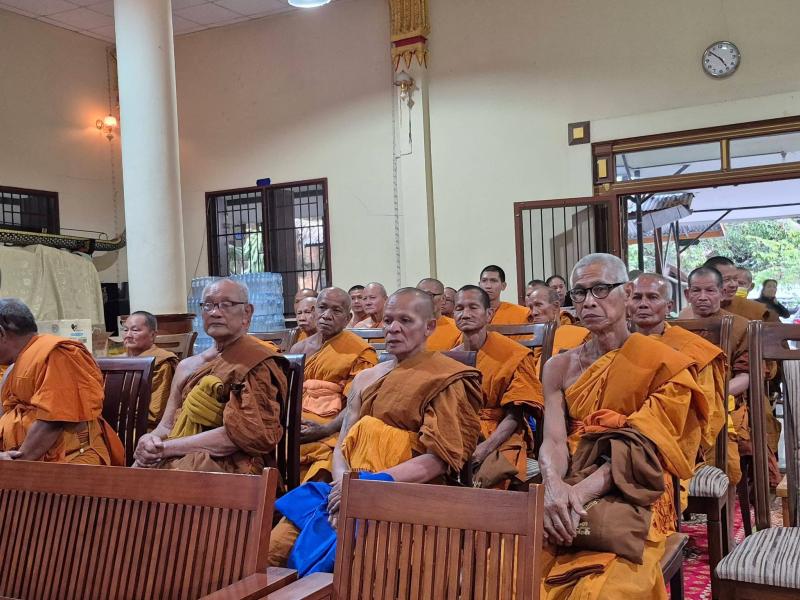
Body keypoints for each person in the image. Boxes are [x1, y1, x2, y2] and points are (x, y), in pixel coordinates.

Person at [268, 288, 482, 571]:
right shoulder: (365, 379)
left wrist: (371, 484)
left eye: (405, 320)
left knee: (358, 564)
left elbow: (439, 459)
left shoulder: (446, 377)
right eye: (389, 320)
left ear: (429, 326)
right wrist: (344, 486)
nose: (393, 328)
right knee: (273, 550)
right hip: (347, 488)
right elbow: (343, 443)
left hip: (406, 492)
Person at [538, 254, 707, 599]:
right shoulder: (558, 366)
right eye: (580, 292)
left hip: (636, 483)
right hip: (570, 478)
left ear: (627, 293)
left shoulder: (662, 363)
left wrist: (579, 495)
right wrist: (553, 485)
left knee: (604, 591)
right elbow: (554, 441)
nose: (589, 301)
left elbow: (646, 447)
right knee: (506, 571)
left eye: (600, 289)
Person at [133, 278, 288, 474]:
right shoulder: (186, 366)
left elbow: (246, 434)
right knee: (128, 479)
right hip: (177, 454)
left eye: (226, 304)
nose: (215, 312)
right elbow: (166, 426)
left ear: (247, 312)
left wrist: (166, 449)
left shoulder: (255, 361)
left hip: (232, 465)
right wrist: (149, 441)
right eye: (208, 305)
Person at [628, 273, 727, 488]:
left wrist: (648, 430)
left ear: (669, 306)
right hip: (617, 432)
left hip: (671, 438)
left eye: (652, 297)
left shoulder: (692, 348)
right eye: (636, 297)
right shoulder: (615, 343)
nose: (643, 304)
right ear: (627, 303)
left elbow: (706, 411)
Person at [0, 298, 124, 465]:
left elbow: (52, 421)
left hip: (70, 460)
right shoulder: (14, 366)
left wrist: (16, 466)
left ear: (1, 333)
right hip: (21, 460)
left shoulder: (57, 354)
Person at [453, 285, 543, 488]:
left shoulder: (514, 354)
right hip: (459, 433)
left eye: (473, 307)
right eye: (459, 308)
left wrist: (485, 448)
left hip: (500, 435)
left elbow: (515, 415)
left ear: (489, 314)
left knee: (497, 473)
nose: (465, 314)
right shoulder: (450, 357)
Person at [291, 287, 378, 482]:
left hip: (335, 428)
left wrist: (327, 428)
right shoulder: (298, 348)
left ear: (348, 318)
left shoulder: (360, 351)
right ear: (314, 310)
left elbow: (358, 403)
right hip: (296, 425)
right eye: (322, 308)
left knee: (329, 460)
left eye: (336, 311)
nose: (326, 315)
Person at [682, 267, 751, 486]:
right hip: (680, 401)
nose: (703, 297)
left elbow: (746, 375)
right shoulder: (676, 326)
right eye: (696, 291)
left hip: (723, 401)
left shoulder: (740, 326)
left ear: (722, 293)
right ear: (687, 294)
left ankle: (722, 498)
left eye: (710, 291)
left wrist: (709, 395)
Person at [121, 311, 179, 430]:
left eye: (135, 330)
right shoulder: (118, 362)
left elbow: (155, 413)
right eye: (125, 330)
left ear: (152, 335)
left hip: (144, 428)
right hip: (117, 421)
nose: (128, 335)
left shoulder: (161, 363)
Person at [525, 282, 590, 373]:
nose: (533, 313)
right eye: (531, 307)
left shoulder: (580, 336)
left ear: (555, 307)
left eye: (539, 305)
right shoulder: (529, 340)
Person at [417, 277, 461, 351]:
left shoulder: (457, 328)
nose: (424, 300)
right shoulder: (406, 328)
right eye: (420, 296)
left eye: (429, 295)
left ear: (443, 299)